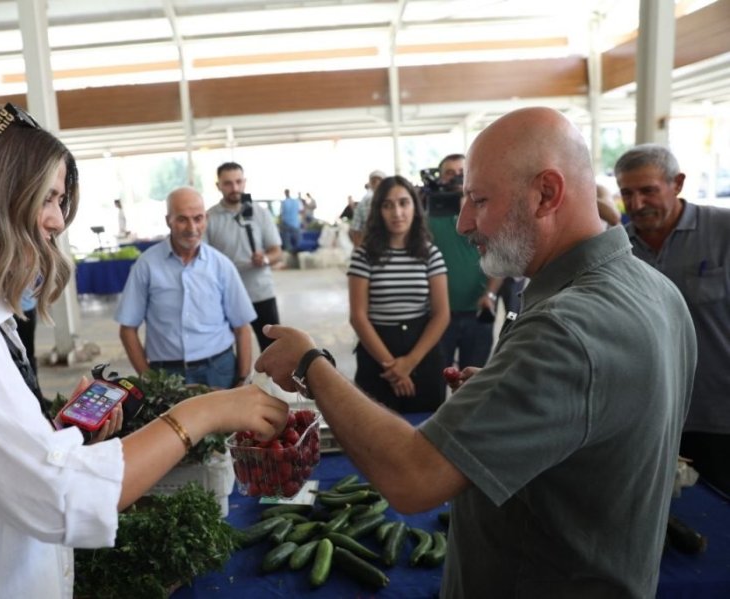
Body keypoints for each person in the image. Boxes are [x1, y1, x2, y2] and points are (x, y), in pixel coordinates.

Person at [0, 105, 288, 597]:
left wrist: (57, 437)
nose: (55, 220)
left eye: (60, 200)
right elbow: (60, 498)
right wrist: (200, 413)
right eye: (47, 198)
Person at [256, 107, 696, 598]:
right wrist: (505, 394)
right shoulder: (657, 290)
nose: (464, 223)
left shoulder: (565, 328)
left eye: (479, 200)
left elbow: (411, 478)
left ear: (546, 193)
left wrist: (311, 363)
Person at [615, 143, 730, 496]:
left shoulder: (723, 230)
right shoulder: (618, 247)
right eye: (627, 194)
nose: (636, 205)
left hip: (718, 413)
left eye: (648, 191)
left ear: (677, 183)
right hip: (648, 416)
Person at [116, 186, 255, 389]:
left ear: (206, 219)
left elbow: (242, 327)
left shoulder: (221, 265)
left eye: (198, 218)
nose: (192, 228)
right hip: (166, 375)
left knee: (225, 423)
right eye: (182, 219)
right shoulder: (146, 265)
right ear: (168, 221)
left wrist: (243, 380)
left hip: (219, 371)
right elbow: (127, 329)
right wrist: (148, 379)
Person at [348, 175, 449, 412]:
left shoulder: (430, 254)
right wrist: (393, 368)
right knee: (375, 431)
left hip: (423, 353)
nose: (397, 212)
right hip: (377, 355)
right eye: (388, 205)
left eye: (404, 203)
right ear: (378, 211)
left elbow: (441, 314)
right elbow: (358, 317)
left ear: (415, 207)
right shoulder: (364, 256)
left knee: (427, 430)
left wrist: (409, 363)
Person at [426, 154, 501, 369]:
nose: (457, 178)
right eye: (450, 173)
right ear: (440, 179)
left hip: (478, 313)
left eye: (462, 172)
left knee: (473, 382)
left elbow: (500, 258)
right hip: (438, 317)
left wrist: (490, 294)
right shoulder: (427, 217)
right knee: (439, 378)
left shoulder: (489, 214)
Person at [205, 162, 283, 352]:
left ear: (245, 182)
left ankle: (275, 383)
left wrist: (264, 259)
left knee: (273, 348)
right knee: (226, 350)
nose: (235, 188)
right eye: (228, 183)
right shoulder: (209, 217)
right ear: (218, 186)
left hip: (260, 292)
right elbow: (203, 258)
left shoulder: (260, 213)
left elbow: (276, 250)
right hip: (225, 296)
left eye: (239, 182)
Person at [349, 169, 386, 247]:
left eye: (380, 180)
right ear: (370, 184)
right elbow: (356, 229)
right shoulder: (363, 203)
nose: (377, 183)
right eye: (374, 181)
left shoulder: (392, 201)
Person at [279, 188, 302, 254]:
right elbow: (301, 211)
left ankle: (289, 255)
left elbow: (281, 214)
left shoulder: (284, 202)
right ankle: (297, 254)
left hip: (286, 223)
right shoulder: (296, 201)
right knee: (297, 241)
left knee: (286, 242)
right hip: (295, 223)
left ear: (285, 193)